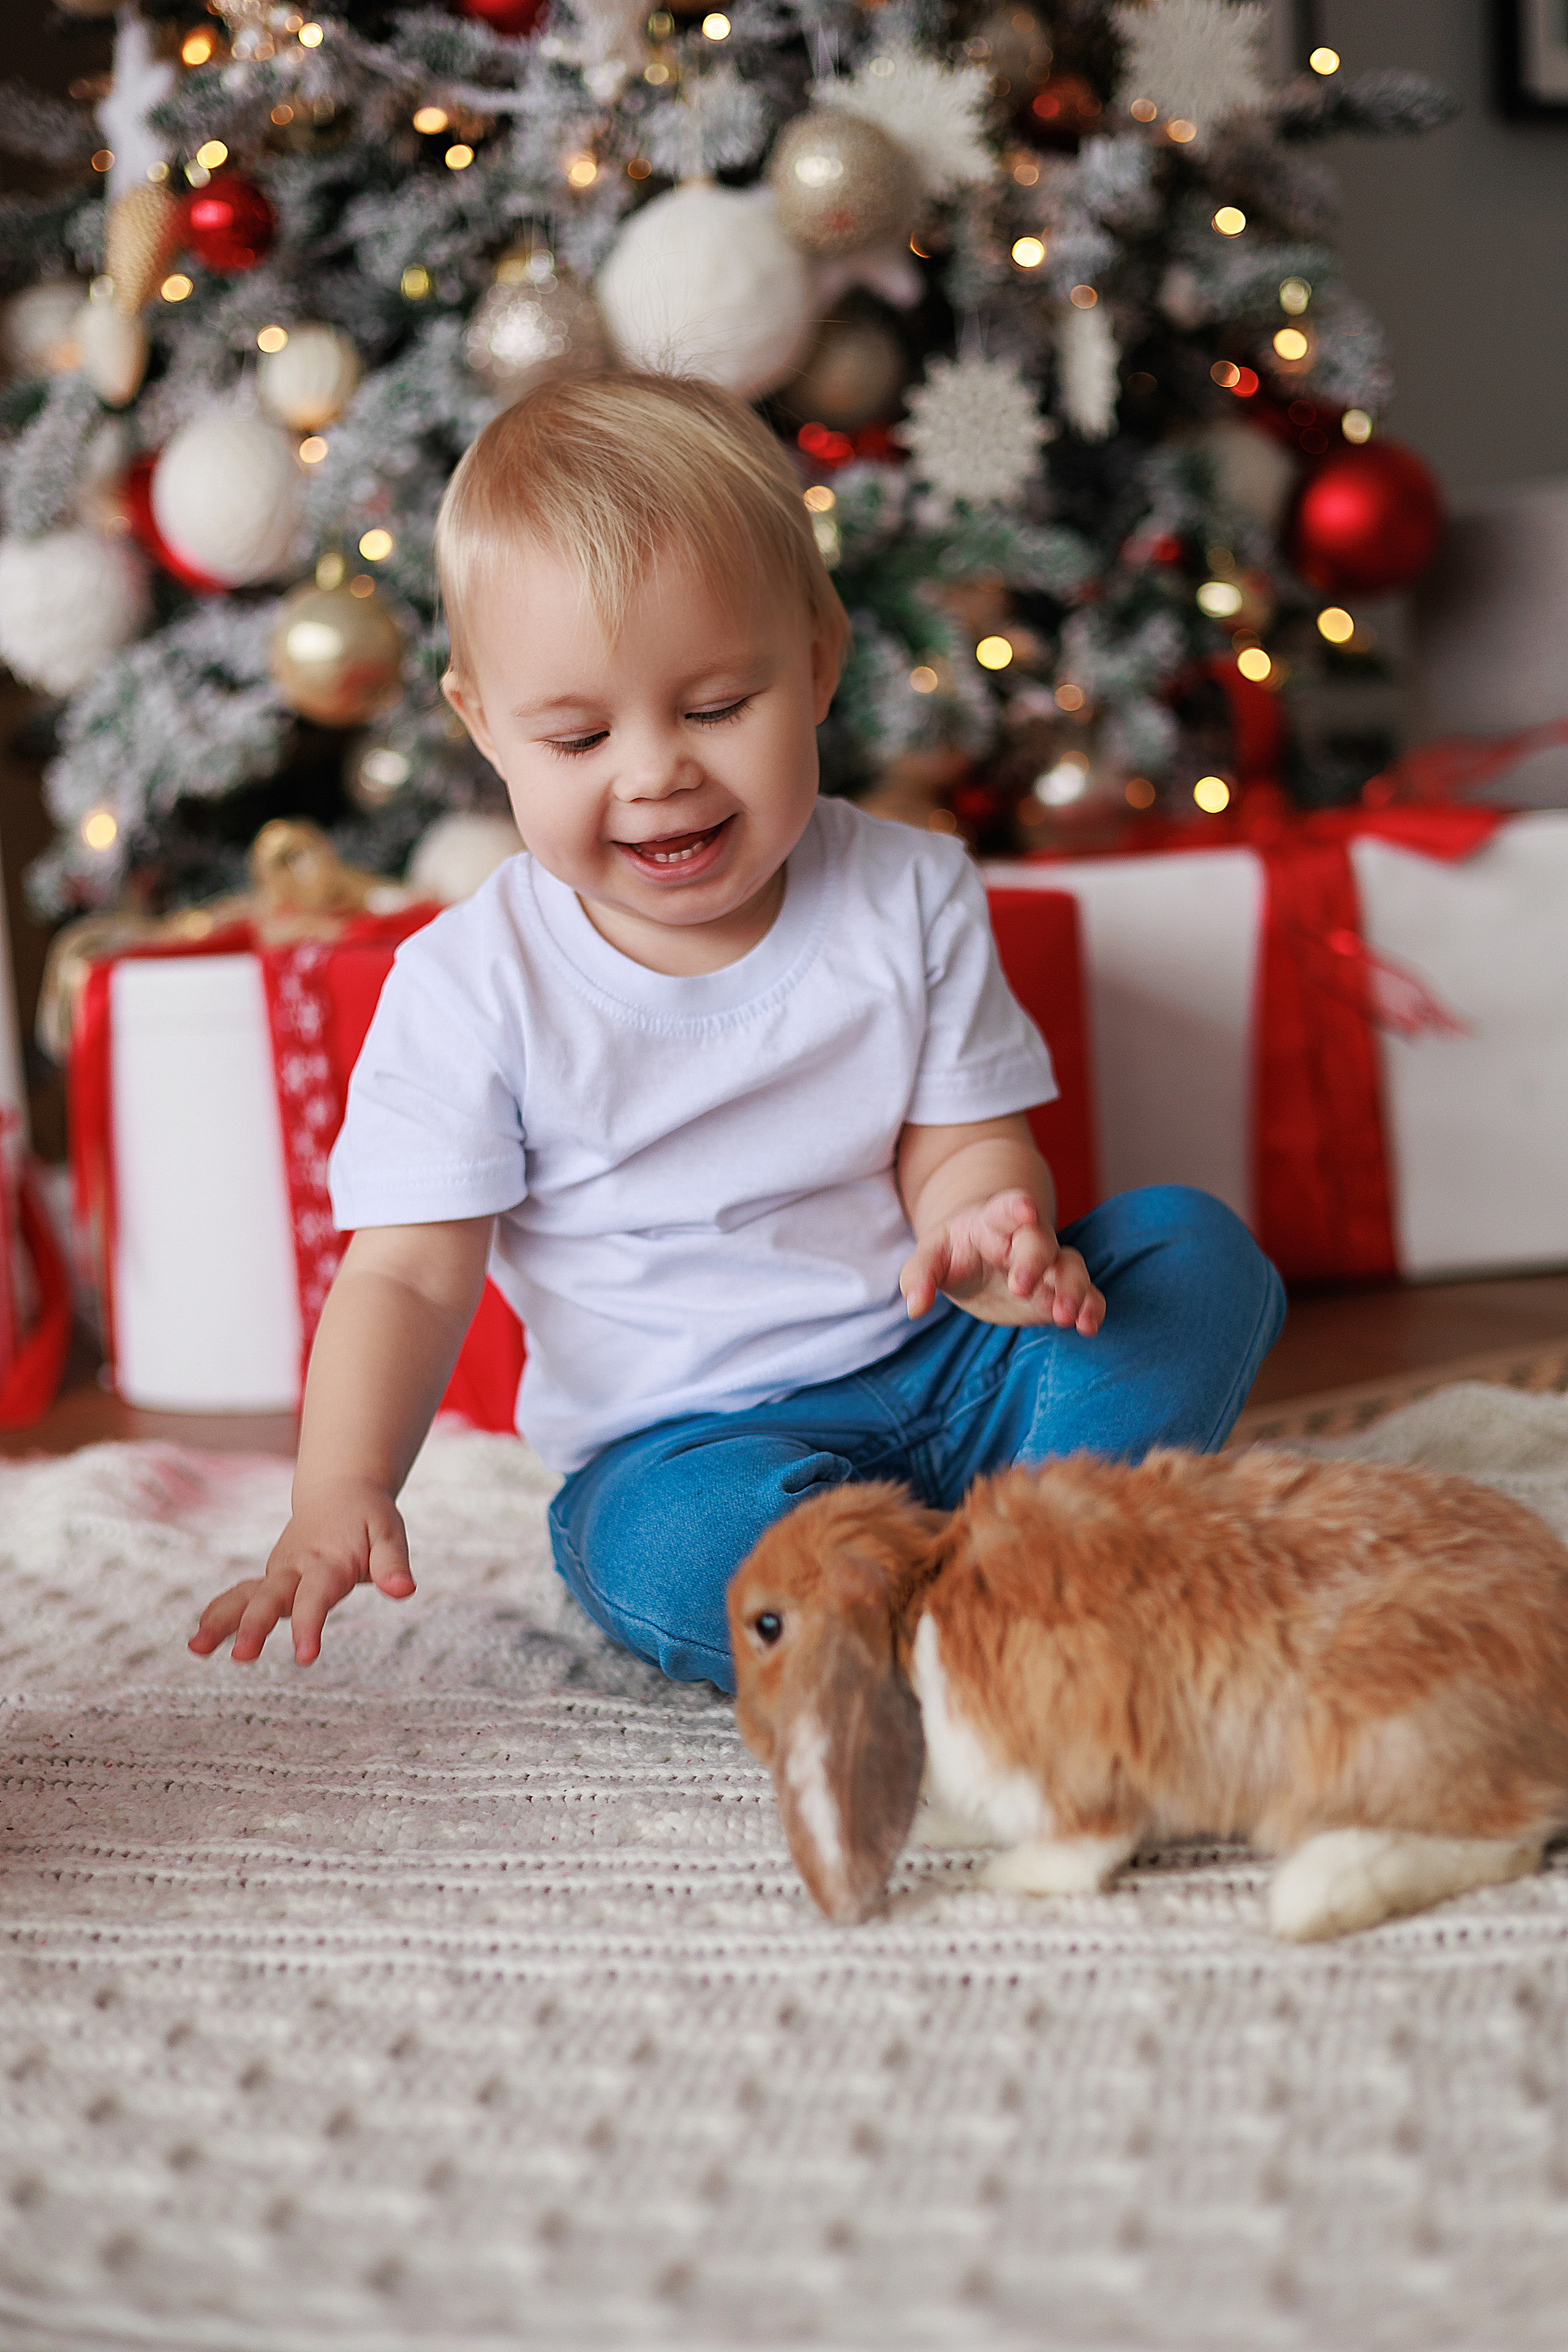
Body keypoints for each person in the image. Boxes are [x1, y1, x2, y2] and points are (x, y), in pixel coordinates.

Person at [190, 372, 1285, 1693]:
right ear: (483, 727)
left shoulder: (907, 889)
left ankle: (1023, 1538)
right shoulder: (471, 985)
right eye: (579, 733)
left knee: (1189, 1254)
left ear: (817, 663)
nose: (655, 770)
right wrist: (340, 1488)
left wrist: (991, 1233)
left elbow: (962, 1147)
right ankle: (968, 1588)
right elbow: (409, 1277)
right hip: (689, 1444)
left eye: (713, 707)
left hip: (947, 1366)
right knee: (671, 1550)